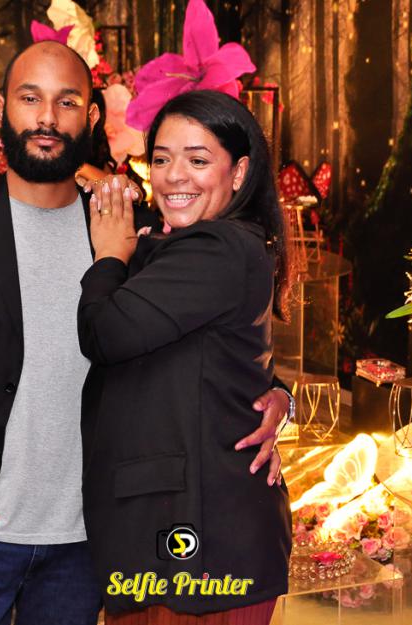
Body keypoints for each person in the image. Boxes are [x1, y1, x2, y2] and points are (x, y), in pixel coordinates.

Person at [0, 42, 291, 625]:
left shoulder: (132, 229)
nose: (47, 117)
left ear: (91, 116)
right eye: (30, 98)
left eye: (66, 102)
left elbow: (214, 335)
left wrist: (277, 395)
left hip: (91, 542)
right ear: (0, 110)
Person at [78, 90, 293, 624]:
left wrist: (109, 255)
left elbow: (106, 334)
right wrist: (281, 396)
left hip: (199, 539)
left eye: (198, 160)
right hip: (177, 529)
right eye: (161, 159)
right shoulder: (187, 243)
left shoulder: (218, 247)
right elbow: (230, 356)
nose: (174, 176)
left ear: (239, 172)